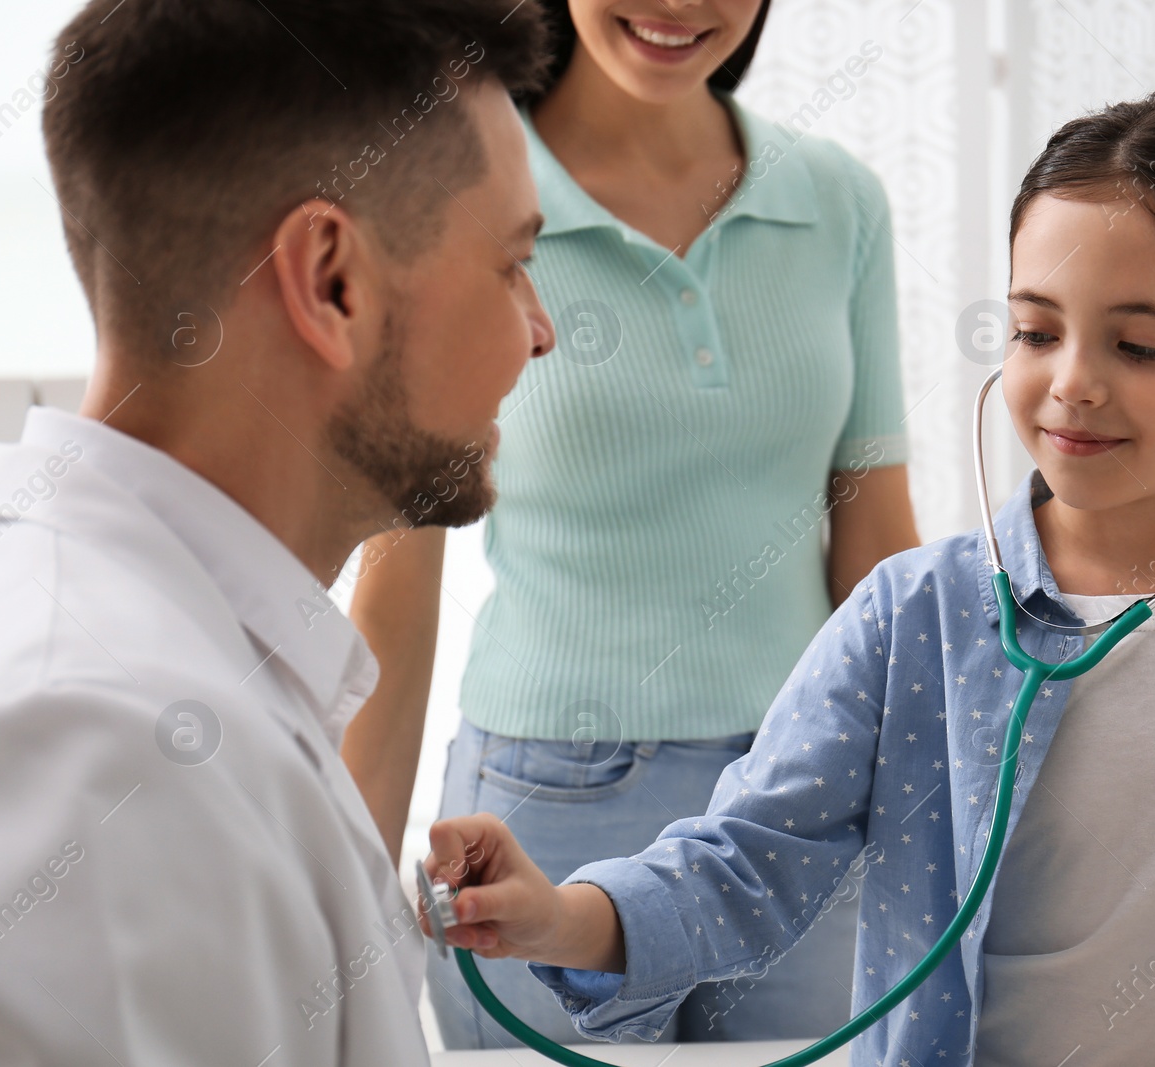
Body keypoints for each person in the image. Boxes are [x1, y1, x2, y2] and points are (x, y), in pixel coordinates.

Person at [420, 90, 1155, 1067]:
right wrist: (560, 915)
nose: (1071, 383)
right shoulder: (912, 619)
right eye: (1033, 331)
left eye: (1140, 346)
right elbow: (747, 859)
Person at [341, 0, 920, 1048]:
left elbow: (877, 550)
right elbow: (395, 589)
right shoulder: (450, 187)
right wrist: (330, 903)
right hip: (543, 814)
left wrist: (936, 811)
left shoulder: (840, 203)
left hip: (802, 800)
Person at [0, 2, 553, 1063]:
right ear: (331, 280)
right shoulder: (103, 764)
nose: (540, 328)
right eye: (510, 263)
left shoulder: (182, 667)